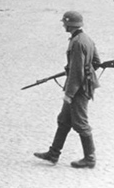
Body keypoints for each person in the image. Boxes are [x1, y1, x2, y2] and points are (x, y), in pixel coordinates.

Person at [34, 11, 100, 169]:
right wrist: (85, 70)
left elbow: (77, 71)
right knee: (64, 120)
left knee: (80, 123)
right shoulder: (86, 39)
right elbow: (96, 62)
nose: (63, 25)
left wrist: (69, 94)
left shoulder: (77, 42)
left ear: (70, 24)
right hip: (82, 84)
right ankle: (53, 153)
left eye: (65, 22)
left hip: (79, 89)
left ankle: (89, 158)